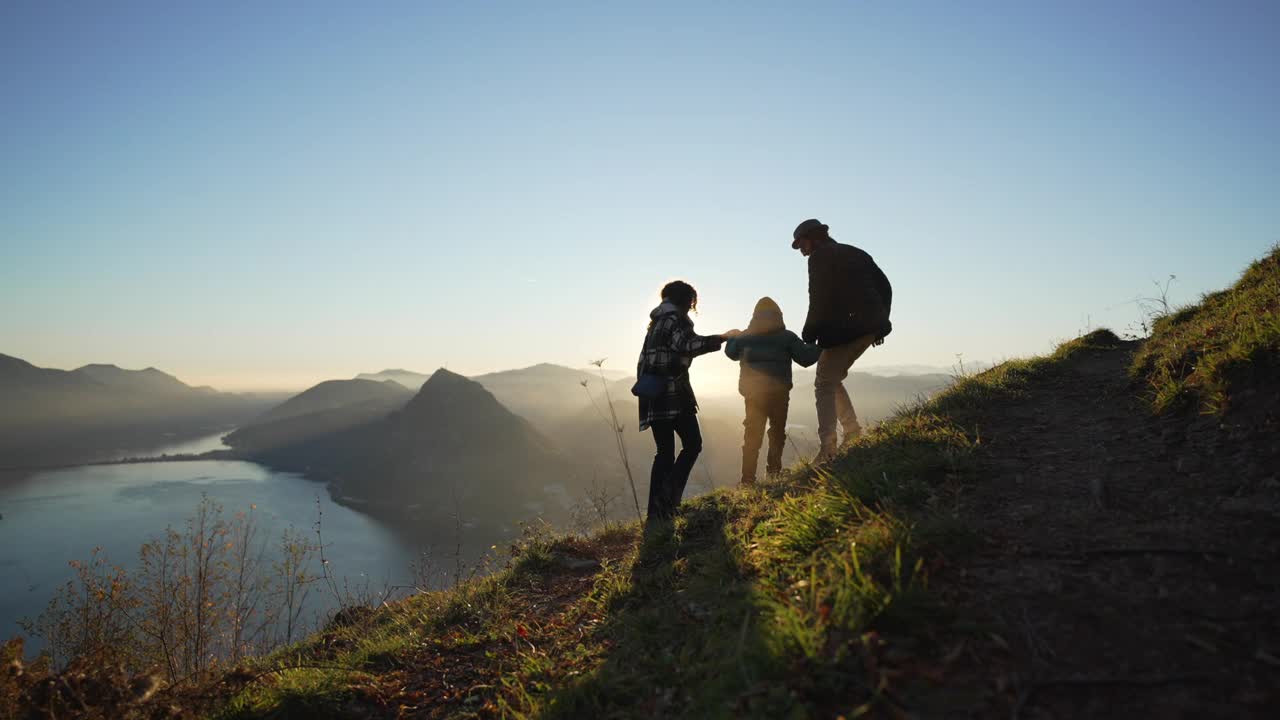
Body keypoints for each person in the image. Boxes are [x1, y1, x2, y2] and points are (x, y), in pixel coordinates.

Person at [792, 218, 893, 462]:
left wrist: (809, 332)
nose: (802, 252)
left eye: (802, 245)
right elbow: (885, 287)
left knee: (824, 382)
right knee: (831, 377)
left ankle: (828, 448)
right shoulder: (857, 253)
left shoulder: (820, 257)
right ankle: (852, 431)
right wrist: (880, 322)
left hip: (847, 329)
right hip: (869, 327)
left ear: (814, 238)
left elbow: (818, 297)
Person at [637, 280, 737, 521]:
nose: (691, 308)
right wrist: (723, 337)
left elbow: (644, 361)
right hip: (674, 395)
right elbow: (688, 345)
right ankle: (668, 501)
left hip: (653, 395)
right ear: (686, 300)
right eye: (691, 303)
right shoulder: (675, 319)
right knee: (693, 444)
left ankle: (656, 512)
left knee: (664, 453)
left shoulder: (656, 322)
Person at [724, 297, 821, 485]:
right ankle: (774, 473)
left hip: (753, 395)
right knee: (777, 432)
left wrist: (732, 338)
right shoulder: (787, 337)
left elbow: (731, 354)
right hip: (779, 393)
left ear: (754, 316)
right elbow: (806, 358)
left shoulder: (744, 337)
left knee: (752, 436)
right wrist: (820, 344)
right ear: (779, 316)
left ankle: (747, 479)